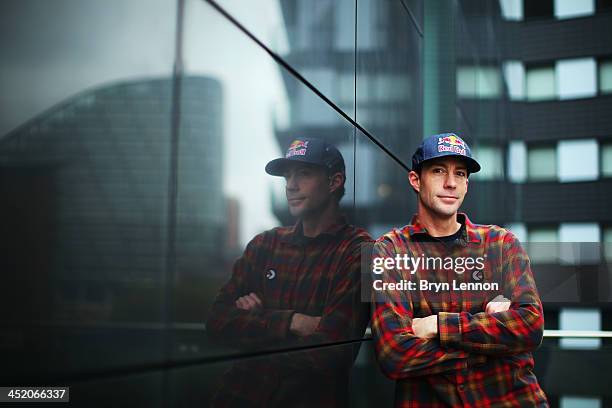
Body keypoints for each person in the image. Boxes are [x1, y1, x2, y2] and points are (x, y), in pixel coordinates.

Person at [371, 133, 548, 407]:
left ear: (467, 184)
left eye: (460, 173)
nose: (451, 183)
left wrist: (437, 325)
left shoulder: (501, 244)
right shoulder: (391, 250)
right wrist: (496, 344)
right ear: (415, 180)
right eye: (439, 170)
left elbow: (530, 327)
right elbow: (394, 354)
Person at [206, 138, 371, 407]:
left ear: (334, 182)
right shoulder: (265, 244)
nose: (291, 185)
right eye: (287, 176)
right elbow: (216, 321)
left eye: (303, 174)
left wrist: (256, 325)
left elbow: (332, 351)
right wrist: (291, 321)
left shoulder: (361, 251)